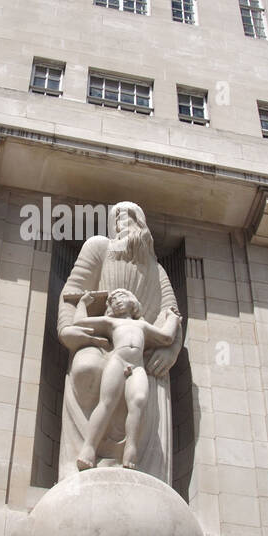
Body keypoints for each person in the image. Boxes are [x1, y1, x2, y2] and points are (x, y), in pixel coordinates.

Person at [56, 202, 183, 481]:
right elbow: (73, 293)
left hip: (143, 357)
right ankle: (85, 455)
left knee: (140, 396)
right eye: (115, 221)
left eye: (126, 218)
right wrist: (66, 328)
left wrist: (172, 351)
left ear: (141, 222)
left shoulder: (157, 269)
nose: (119, 225)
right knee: (87, 368)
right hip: (100, 342)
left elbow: (171, 313)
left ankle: (134, 459)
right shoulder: (99, 247)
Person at [73, 288, 181, 470]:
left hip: (137, 365)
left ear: (133, 302)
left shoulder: (143, 326)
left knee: (138, 401)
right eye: (113, 299)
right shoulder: (110, 322)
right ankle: (89, 448)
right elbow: (79, 322)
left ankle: (130, 449)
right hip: (117, 361)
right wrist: (83, 303)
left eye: (121, 296)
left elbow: (166, 337)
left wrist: (172, 318)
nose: (116, 301)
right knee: (107, 402)